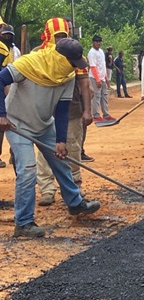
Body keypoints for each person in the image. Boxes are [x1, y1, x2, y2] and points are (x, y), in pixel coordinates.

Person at [0, 18, 101, 238]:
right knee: (27, 170)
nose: (76, 66)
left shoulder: (66, 75)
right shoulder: (28, 64)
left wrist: (61, 141)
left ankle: (75, 203)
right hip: (18, 124)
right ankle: (24, 224)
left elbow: (63, 110)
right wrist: (2, 114)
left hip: (45, 125)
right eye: (73, 61)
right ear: (60, 57)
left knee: (61, 161)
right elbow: (0, 80)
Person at [36, 47, 93, 206]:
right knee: (44, 151)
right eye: (57, 36)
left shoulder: (76, 55)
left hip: (72, 109)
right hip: (45, 111)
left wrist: (87, 110)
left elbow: (85, 84)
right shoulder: (39, 54)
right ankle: (46, 189)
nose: (60, 39)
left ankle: (74, 185)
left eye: (63, 35)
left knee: (73, 148)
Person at [88, 35, 114, 122]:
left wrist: (106, 77)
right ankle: (95, 115)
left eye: (99, 41)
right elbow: (93, 66)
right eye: (96, 41)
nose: (98, 43)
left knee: (104, 96)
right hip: (95, 78)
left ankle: (106, 114)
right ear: (93, 42)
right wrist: (97, 79)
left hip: (102, 77)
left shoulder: (101, 51)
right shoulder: (92, 53)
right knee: (96, 96)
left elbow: (103, 65)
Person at [0, 24, 14, 168]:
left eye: (9, 35)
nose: (7, 37)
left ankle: (14, 154)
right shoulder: (3, 48)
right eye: (5, 35)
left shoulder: (10, 49)